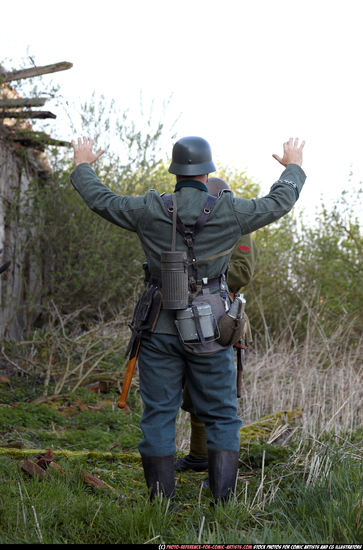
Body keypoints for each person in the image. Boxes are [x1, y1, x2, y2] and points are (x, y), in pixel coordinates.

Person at [70, 135, 306, 505]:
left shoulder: (149, 209)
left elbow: (101, 200)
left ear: (175, 172)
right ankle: (222, 506)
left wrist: (83, 164)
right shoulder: (229, 211)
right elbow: (279, 202)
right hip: (213, 328)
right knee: (223, 415)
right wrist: (293, 166)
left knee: (159, 413)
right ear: (207, 172)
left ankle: (159, 507)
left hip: (158, 326)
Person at [175, 177, 257, 474]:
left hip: (222, 318)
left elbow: (241, 273)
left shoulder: (237, 224)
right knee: (189, 390)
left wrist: (200, 276)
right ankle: (198, 456)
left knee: (217, 396)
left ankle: (219, 471)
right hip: (185, 314)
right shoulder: (186, 225)